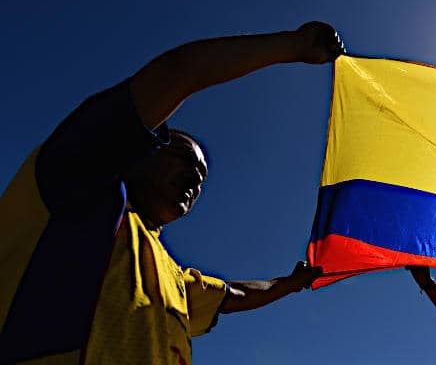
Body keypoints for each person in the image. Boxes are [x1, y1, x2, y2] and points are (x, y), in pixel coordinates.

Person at [0, 21, 344, 364]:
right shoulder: (78, 187)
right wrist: (294, 45)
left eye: (202, 177)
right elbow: (178, 73)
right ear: (140, 155)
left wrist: (292, 283)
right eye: (183, 160)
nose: (195, 179)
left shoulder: (174, 280)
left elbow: (235, 295)